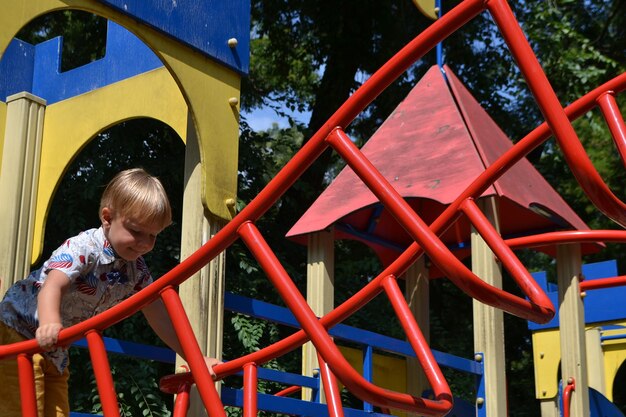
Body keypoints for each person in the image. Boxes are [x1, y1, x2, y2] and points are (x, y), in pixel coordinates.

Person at [0, 168, 220, 417]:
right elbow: (53, 284)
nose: (145, 244)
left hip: (57, 349)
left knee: (57, 412)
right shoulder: (84, 247)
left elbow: (158, 314)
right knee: (21, 408)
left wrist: (194, 358)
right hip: (19, 332)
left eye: (153, 236)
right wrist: (50, 323)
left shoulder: (136, 269)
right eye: (136, 232)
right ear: (107, 218)